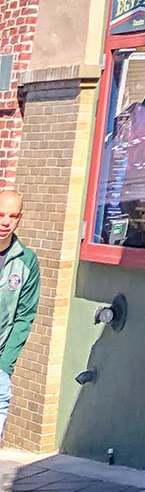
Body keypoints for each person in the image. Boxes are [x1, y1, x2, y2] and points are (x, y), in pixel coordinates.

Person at [0, 190, 39, 445]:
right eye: (1, 214)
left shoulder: (26, 261)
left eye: (13, 216)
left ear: (20, 218)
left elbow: (25, 316)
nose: (6, 222)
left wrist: (5, 363)